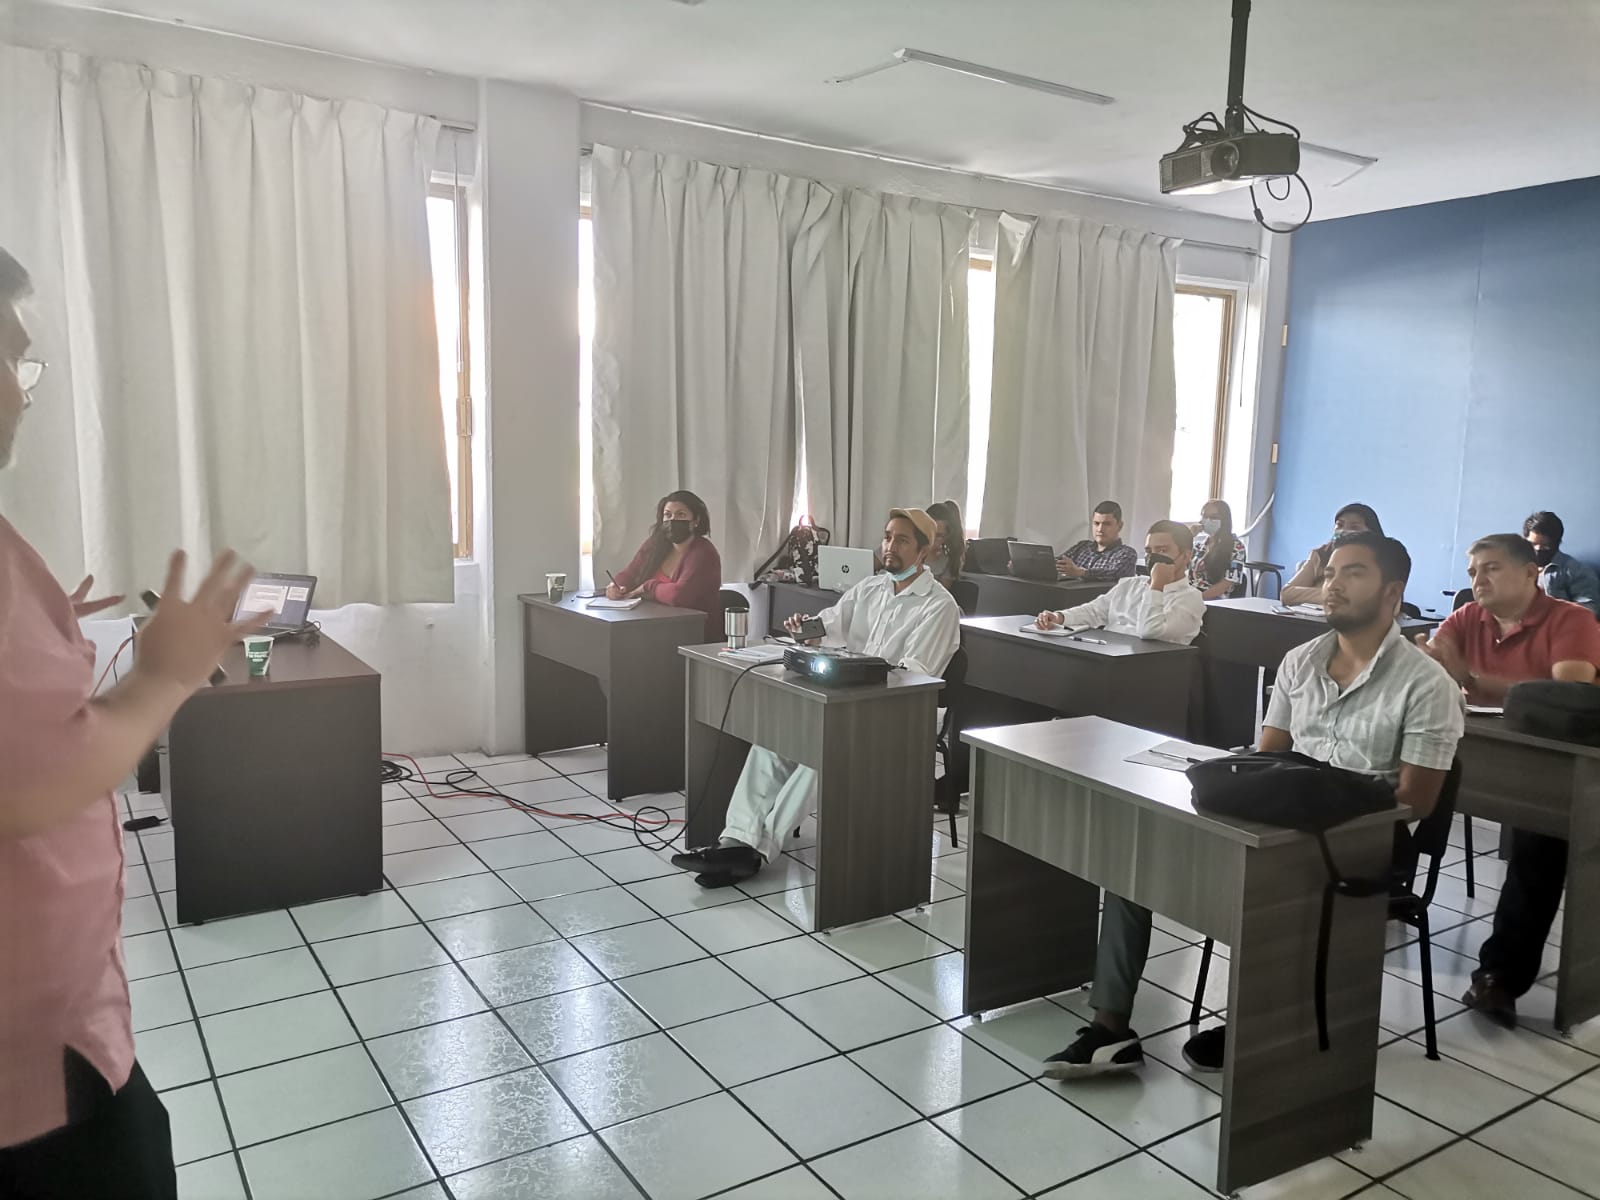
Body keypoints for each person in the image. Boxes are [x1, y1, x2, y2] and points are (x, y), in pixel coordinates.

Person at [0, 246, 268, 1197]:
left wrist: (42, 635)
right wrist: (165, 675)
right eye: (12, 361)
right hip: (32, 1073)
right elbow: (31, 784)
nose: (23, 393)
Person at [1045, 532, 1463, 1079]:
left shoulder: (1427, 684)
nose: (1333, 585)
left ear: (1392, 592)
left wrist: (1324, 806)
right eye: (1330, 573)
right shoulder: (1301, 661)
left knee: (1265, 885)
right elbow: (1269, 758)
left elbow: (1416, 802)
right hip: (1285, 819)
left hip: (1363, 843)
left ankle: (1262, 1020)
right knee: (1138, 860)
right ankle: (1111, 1029)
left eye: (1353, 573)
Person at [671, 508, 960, 887]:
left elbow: (912, 676)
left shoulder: (939, 606)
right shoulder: (870, 588)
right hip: (846, 705)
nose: (890, 546)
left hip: (896, 719)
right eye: (888, 537)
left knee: (819, 754)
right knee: (772, 741)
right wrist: (808, 631)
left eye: (902, 540)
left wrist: (852, 667)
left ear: (923, 551)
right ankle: (735, 840)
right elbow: (832, 623)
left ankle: (756, 852)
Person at [1416, 533, 1600, 1027]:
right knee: (1399, 793)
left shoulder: (1571, 619)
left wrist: (1471, 679)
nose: (1478, 580)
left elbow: (1568, 693)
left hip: (1559, 767)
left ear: (1530, 573)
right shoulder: (1466, 617)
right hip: (1480, 746)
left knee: (1538, 846)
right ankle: (1380, 897)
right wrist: (1432, 664)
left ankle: (1499, 976)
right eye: (1473, 571)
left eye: (1491, 568)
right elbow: (1433, 668)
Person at [1034, 521, 1205, 645]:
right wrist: (1060, 617)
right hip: (1108, 656)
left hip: (1150, 670)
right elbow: (1095, 611)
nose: (1153, 557)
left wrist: (1157, 586)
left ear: (1186, 556)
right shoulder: (1130, 584)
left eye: (1162, 550)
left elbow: (1150, 631)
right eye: (1148, 551)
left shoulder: (1190, 598)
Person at [606, 489, 723, 640]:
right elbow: (630, 574)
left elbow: (679, 596)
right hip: (654, 629)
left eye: (681, 515)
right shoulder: (656, 544)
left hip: (694, 636)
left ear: (696, 521)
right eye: (668, 515)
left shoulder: (703, 553)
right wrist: (615, 587)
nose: (673, 520)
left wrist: (648, 587)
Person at [1280, 502, 1384, 606]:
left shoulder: (1382, 561)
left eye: (1354, 527)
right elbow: (1287, 594)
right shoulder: (1320, 555)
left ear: (1372, 534)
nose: (1344, 531)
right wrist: (1332, 595)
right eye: (1340, 525)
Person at [1523, 510, 1599, 618]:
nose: (1538, 549)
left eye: (1545, 545)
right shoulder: (1516, 567)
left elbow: (1589, 609)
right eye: (1533, 544)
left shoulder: (1574, 570)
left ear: (1557, 543)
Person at [1055, 500, 1138, 581]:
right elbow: (1057, 563)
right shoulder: (1082, 547)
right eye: (1096, 523)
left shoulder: (1126, 553)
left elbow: (1115, 573)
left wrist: (1081, 573)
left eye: (1107, 524)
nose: (1100, 529)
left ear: (1119, 526)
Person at [1190, 498, 1247, 601]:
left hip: (1215, 600)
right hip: (1192, 594)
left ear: (1224, 520)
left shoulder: (1236, 547)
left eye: (1213, 517)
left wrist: (1198, 599)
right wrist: (1189, 536)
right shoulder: (1200, 545)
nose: (1208, 520)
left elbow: (1226, 584)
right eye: (1204, 516)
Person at [925, 499, 965, 590]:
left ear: (947, 537)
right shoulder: (909, 553)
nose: (931, 539)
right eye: (928, 532)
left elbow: (940, 595)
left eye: (938, 536)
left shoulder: (948, 563)